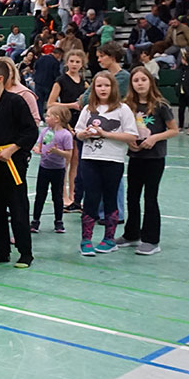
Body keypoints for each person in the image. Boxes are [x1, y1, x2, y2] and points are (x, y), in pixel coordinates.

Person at [0, 62, 39, 268]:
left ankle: (25, 253)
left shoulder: (16, 102)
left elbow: (30, 131)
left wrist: (12, 149)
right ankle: (1, 251)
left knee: (18, 207)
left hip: (13, 162)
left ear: (0, 78)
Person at [75, 71, 139, 258]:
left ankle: (109, 240)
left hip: (113, 160)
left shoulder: (123, 109)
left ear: (113, 88)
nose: (103, 89)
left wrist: (105, 134)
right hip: (90, 159)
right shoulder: (88, 109)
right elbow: (78, 132)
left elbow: (131, 135)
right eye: (99, 85)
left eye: (107, 85)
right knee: (91, 198)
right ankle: (86, 240)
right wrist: (84, 134)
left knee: (110, 198)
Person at [123, 68, 178, 256]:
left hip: (155, 158)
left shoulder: (161, 105)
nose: (140, 83)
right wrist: (129, 141)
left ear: (150, 82)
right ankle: (131, 234)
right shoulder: (127, 105)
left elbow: (173, 130)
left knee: (150, 197)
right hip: (135, 157)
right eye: (136, 80)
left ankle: (151, 240)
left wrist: (154, 138)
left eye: (143, 79)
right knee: (132, 196)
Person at [31, 106, 73, 234]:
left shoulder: (66, 135)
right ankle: (35, 221)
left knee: (57, 196)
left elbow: (69, 154)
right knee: (40, 195)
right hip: (44, 168)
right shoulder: (45, 131)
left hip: (58, 170)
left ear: (57, 119)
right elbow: (41, 146)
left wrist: (57, 151)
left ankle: (59, 222)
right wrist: (37, 150)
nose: (46, 118)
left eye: (49, 116)